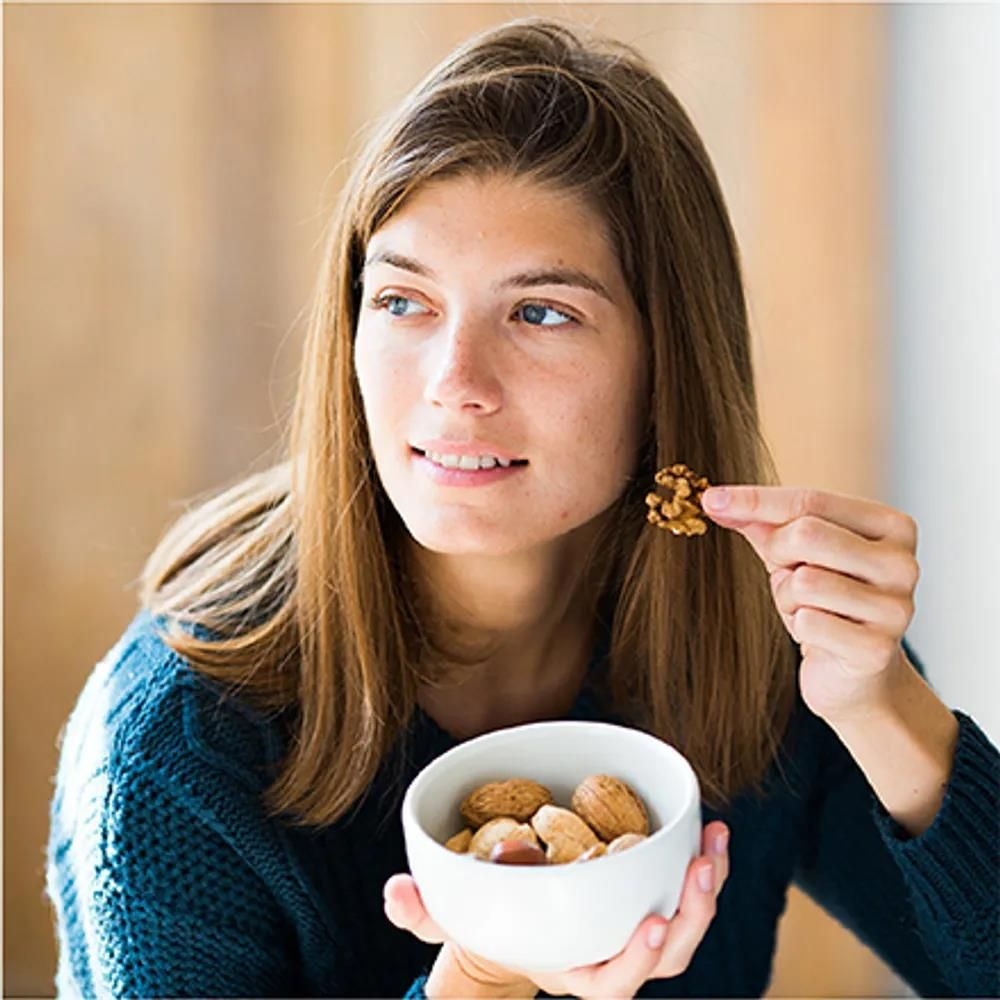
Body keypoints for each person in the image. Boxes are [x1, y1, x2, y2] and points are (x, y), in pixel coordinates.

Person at [46, 15, 998, 999]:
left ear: (666, 366)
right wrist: (483, 976)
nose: (453, 382)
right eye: (404, 302)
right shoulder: (177, 744)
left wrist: (882, 704)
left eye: (541, 312)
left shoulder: (760, 642)